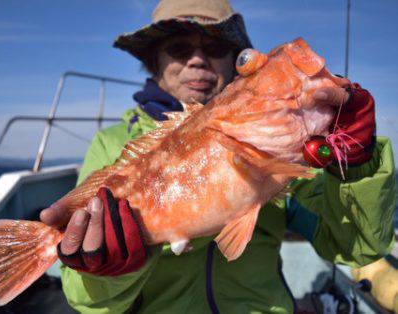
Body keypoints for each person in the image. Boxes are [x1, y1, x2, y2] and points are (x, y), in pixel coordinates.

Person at [40, 0, 397, 312]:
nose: (197, 60)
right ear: (155, 62)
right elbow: (87, 304)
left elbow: (356, 248)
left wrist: (355, 163)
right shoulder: (111, 143)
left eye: (214, 46)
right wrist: (109, 270)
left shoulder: (292, 154)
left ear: (232, 61)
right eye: (179, 48)